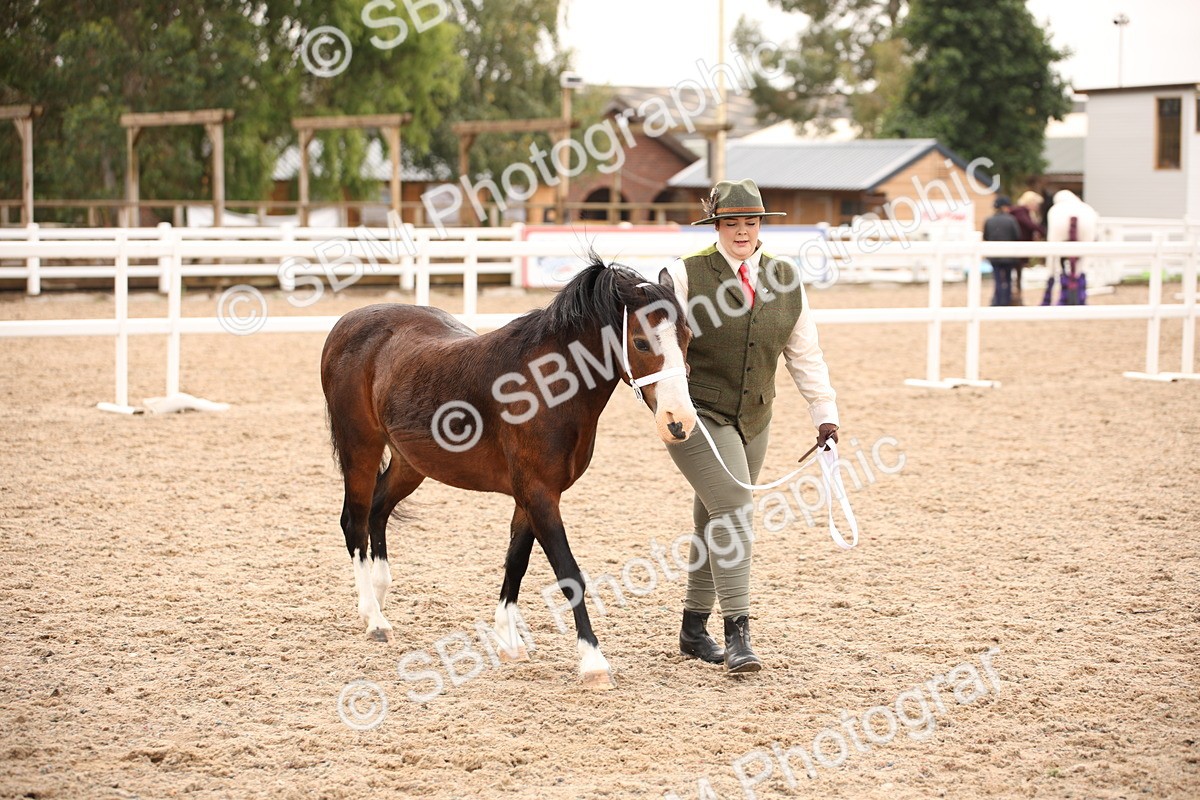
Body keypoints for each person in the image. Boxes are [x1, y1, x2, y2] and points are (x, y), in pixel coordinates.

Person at [664, 179, 840, 675]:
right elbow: (662, 351)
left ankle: (693, 627)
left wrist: (824, 414)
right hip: (696, 414)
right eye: (731, 222)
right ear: (716, 225)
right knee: (736, 508)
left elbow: (803, 353)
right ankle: (738, 633)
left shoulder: (786, 277)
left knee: (713, 515)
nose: (742, 231)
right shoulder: (682, 275)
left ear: (761, 224)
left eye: (751, 221)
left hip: (756, 416)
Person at [1009, 191, 1047, 305]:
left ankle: (1017, 297)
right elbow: (1029, 225)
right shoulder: (1021, 212)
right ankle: (1016, 297)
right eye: (1035, 203)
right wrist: (1043, 231)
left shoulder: (1022, 212)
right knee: (1016, 273)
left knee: (1018, 273)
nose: (1036, 206)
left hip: (1020, 248)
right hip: (1018, 248)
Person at [983, 196, 1022, 306]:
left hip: (994, 255)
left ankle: (997, 301)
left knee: (997, 279)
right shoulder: (1011, 220)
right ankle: (1006, 300)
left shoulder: (989, 220)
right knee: (1008, 279)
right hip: (1009, 255)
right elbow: (1017, 235)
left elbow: (986, 236)